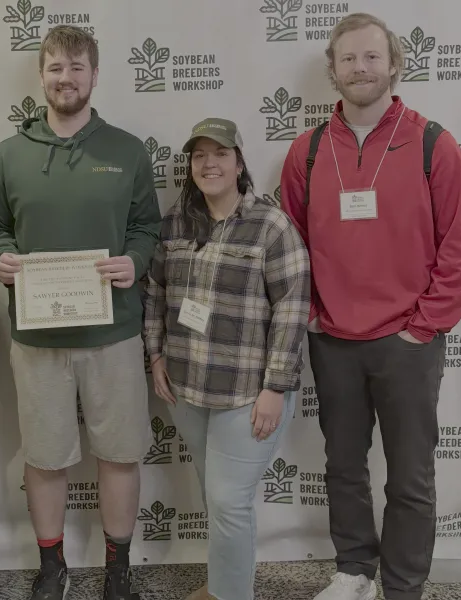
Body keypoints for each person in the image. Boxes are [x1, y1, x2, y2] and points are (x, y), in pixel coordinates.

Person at [279, 13, 461, 600]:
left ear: (394, 63)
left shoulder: (431, 143)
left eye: (371, 57)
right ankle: (354, 572)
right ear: (333, 70)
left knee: (410, 476)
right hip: (334, 340)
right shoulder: (309, 151)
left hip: (406, 342)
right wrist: (313, 313)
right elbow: (291, 242)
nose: (360, 69)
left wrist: (425, 325)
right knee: (343, 467)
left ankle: (401, 585)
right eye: (348, 59)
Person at [0, 24, 161, 600]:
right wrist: (0, 257)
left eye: (77, 67)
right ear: (42, 75)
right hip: (38, 337)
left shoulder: (128, 150)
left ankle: (117, 572)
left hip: (113, 334)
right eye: (56, 67)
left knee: (120, 453)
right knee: (46, 458)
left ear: (94, 75)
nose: (66, 78)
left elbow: (146, 226)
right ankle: (52, 568)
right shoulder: (8, 155)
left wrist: (134, 260)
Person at [144, 118, 310, 600]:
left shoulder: (270, 224)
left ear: (239, 163)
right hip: (187, 388)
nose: (209, 163)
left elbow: (293, 308)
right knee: (215, 498)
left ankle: (230, 595)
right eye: (199, 155)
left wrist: (275, 387)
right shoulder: (175, 223)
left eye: (220, 153)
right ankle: (222, 585)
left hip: (248, 393)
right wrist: (155, 356)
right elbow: (155, 292)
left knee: (227, 500)